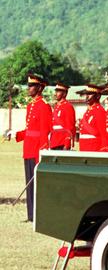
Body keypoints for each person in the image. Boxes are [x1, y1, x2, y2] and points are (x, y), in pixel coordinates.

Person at [8, 74, 51, 222]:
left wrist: (42, 152)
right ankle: (31, 215)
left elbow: (45, 131)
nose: (29, 88)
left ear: (39, 88)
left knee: (36, 184)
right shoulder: (31, 105)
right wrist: (16, 135)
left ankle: (38, 215)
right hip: (28, 148)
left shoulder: (43, 106)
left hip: (36, 150)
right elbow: (29, 130)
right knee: (29, 182)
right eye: (29, 85)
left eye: (32, 86)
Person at [78, 84, 107, 151]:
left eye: (90, 94)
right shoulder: (88, 111)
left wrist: (103, 149)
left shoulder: (99, 111)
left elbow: (103, 134)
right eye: (86, 94)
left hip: (94, 148)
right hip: (84, 147)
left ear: (97, 96)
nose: (87, 96)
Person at [50, 82, 75, 150]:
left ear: (64, 93)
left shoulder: (68, 106)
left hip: (62, 142)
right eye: (56, 91)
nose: (55, 94)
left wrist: (67, 143)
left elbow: (70, 127)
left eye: (58, 91)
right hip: (54, 141)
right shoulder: (56, 107)